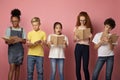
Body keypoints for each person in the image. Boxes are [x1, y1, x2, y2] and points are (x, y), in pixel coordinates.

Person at [5, 9, 26, 80]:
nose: (14, 23)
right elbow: (6, 42)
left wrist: (19, 39)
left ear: (19, 20)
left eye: (16, 21)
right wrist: (9, 41)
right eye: (13, 21)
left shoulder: (22, 30)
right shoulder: (9, 29)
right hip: (11, 51)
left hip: (20, 51)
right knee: (12, 68)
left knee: (17, 69)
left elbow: (24, 41)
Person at [74, 11, 93, 80]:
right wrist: (76, 38)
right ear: (79, 20)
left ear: (86, 20)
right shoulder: (76, 28)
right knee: (78, 67)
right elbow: (74, 40)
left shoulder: (88, 28)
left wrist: (91, 37)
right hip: (78, 47)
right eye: (81, 20)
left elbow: (90, 41)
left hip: (86, 47)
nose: (82, 22)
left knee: (85, 67)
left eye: (84, 20)